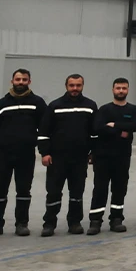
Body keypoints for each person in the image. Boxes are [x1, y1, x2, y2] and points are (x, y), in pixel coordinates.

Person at [0, 69, 47, 238]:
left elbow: (45, 126)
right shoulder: (2, 103)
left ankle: (22, 224)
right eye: (18, 79)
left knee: (23, 189)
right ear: (12, 81)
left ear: (29, 81)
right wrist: (1, 140)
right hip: (4, 154)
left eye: (24, 79)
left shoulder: (37, 103)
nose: (21, 82)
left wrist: (36, 143)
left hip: (26, 154)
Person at [38, 74, 97, 237]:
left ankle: (75, 222)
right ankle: (49, 223)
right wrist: (45, 152)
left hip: (80, 158)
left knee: (77, 192)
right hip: (57, 158)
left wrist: (93, 152)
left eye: (78, 85)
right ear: (66, 86)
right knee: (53, 192)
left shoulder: (90, 106)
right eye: (72, 85)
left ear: (83, 86)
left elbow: (94, 133)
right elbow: (44, 132)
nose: (75, 88)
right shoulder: (54, 106)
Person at [88, 78, 136, 235]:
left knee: (119, 188)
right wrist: (121, 132)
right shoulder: (104, 110)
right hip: (103, 157)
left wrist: (114, 125)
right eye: (118, 88)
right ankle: (95, 221)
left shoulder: (133, 110)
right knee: (100, 188)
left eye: (124, 88)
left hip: (122, 157)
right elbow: (98, 128)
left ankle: (116, 219)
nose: (121, 91)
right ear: (113, 89)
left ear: (128, 90)